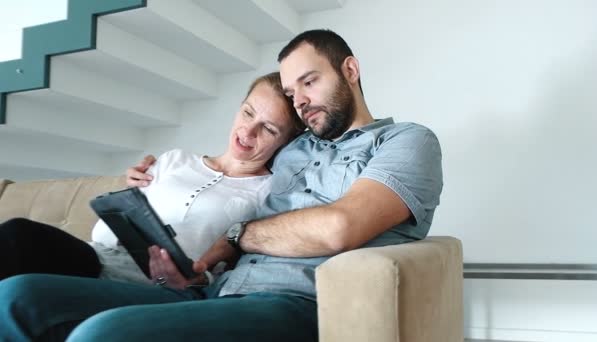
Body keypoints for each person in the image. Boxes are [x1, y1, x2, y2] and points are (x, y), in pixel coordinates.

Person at [0, 29, 442, 342]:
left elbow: (338, 229)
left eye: (310, 81)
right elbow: (235, 171)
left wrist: (239, 235)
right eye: (292, 92)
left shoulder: (406, 141)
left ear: (350, 69)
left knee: (103, 333)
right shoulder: (295, 150)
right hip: (213, 292)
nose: (301, 99)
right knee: (16, 297)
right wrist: (157, 184)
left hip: (294, 302)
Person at [0, 71, 304, 284]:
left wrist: (202, 279)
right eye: (249, 113)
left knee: (18, 236)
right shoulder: (175, 159)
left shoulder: (269, 193)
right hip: (96, 254)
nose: (248, 132)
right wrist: (126, 190)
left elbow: (239, 264)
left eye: (269, 129)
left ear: (285, 142)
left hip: (152, 281)